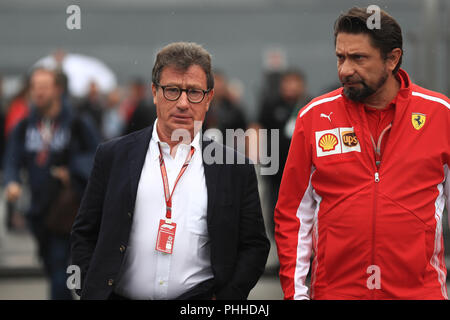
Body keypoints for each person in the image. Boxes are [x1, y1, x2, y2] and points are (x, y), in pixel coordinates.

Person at [70, 42, 270, 300]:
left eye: (194, 92)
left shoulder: (235, 168)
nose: (183, 103)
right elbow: (84, 233)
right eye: (172, 90)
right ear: (154, 92)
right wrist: (93, 289)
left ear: (209, 98)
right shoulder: (113, 156)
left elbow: (254, 246)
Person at [275, 7, 450, 300]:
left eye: (358, 58)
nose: (345, 69)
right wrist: (296, 295)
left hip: (420, 293)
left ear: (392, 59)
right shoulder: (314, 118)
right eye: (340, 57)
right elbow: (293, 215)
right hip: (336, 293)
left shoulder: (440, 115)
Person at [3, 67, 100, 299]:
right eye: (35, 87)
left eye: (44, 87)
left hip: (67, 210)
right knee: (50, 265)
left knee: (59, 269)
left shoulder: (76, 123)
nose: (38, 93)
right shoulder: (26, 125)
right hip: (38, 210)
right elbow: (13, 159)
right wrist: (12, 182)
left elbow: (99, 154)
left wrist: (72, 171)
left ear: (57, 89)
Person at [258, 68, 311, 236]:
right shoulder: (272, 104)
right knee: (275, 208)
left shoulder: (309, 105)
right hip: (276, 169)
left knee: (303, 208)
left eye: (295, 83)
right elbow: (258, 128)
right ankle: (278, 247)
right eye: (288, 83)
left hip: (303, 170)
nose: (291, 87)